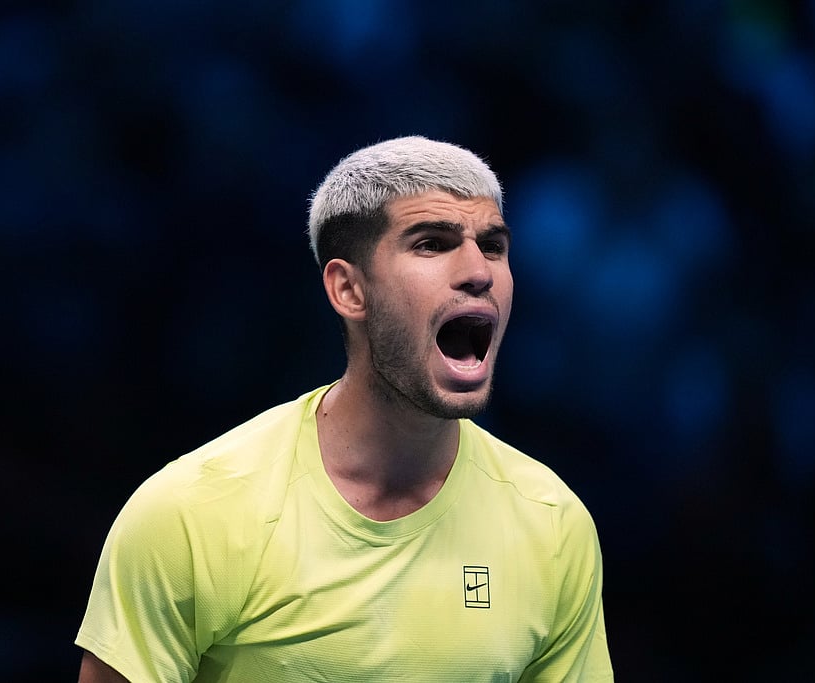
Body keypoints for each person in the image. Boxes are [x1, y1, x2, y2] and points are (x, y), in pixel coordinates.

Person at [75, 136, 615, 682]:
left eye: (493, 246)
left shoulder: (553, 524)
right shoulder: (188, 514)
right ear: (349, 290)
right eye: (432, 244)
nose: (479, 271)